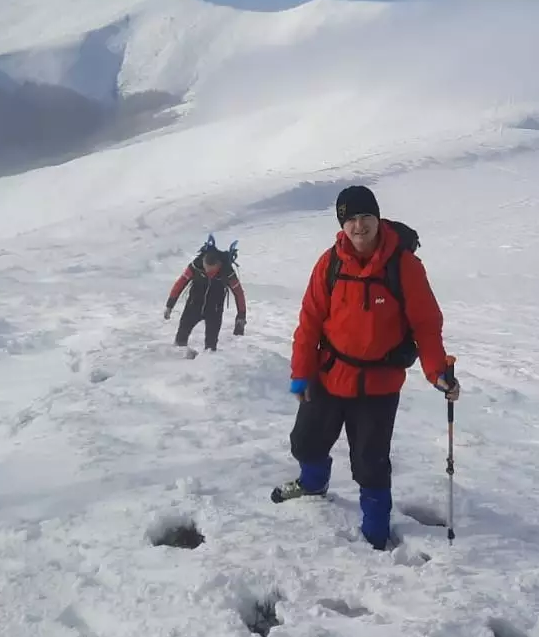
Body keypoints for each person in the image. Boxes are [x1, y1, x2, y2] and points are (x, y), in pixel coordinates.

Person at [272, 185, 460, 551]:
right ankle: (313, 483)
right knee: (306, 440)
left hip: (379, 383)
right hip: (330, 373)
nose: (359, 226)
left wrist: (437, 370)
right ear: (342, 224)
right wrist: (301, 373)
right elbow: (310, 321)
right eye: (350, 219)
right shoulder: (330, 263)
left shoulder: (404, 266)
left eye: (365, 217)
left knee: (370, 462)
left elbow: (426, 323)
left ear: (377, 218)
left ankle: (376, 526)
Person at [164, 241, 247, 352]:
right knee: (180, 339)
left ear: (218, 265)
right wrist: (170, 305)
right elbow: (180, 283)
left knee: (211, 346)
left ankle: (207, 365)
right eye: (206, 267)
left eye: (211, 270)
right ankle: (180, 362)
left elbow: (239, 294)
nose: (207, 271)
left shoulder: (227, 272)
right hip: (193, 306)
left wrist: (241, 317)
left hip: (214, 310)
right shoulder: (196, 265)